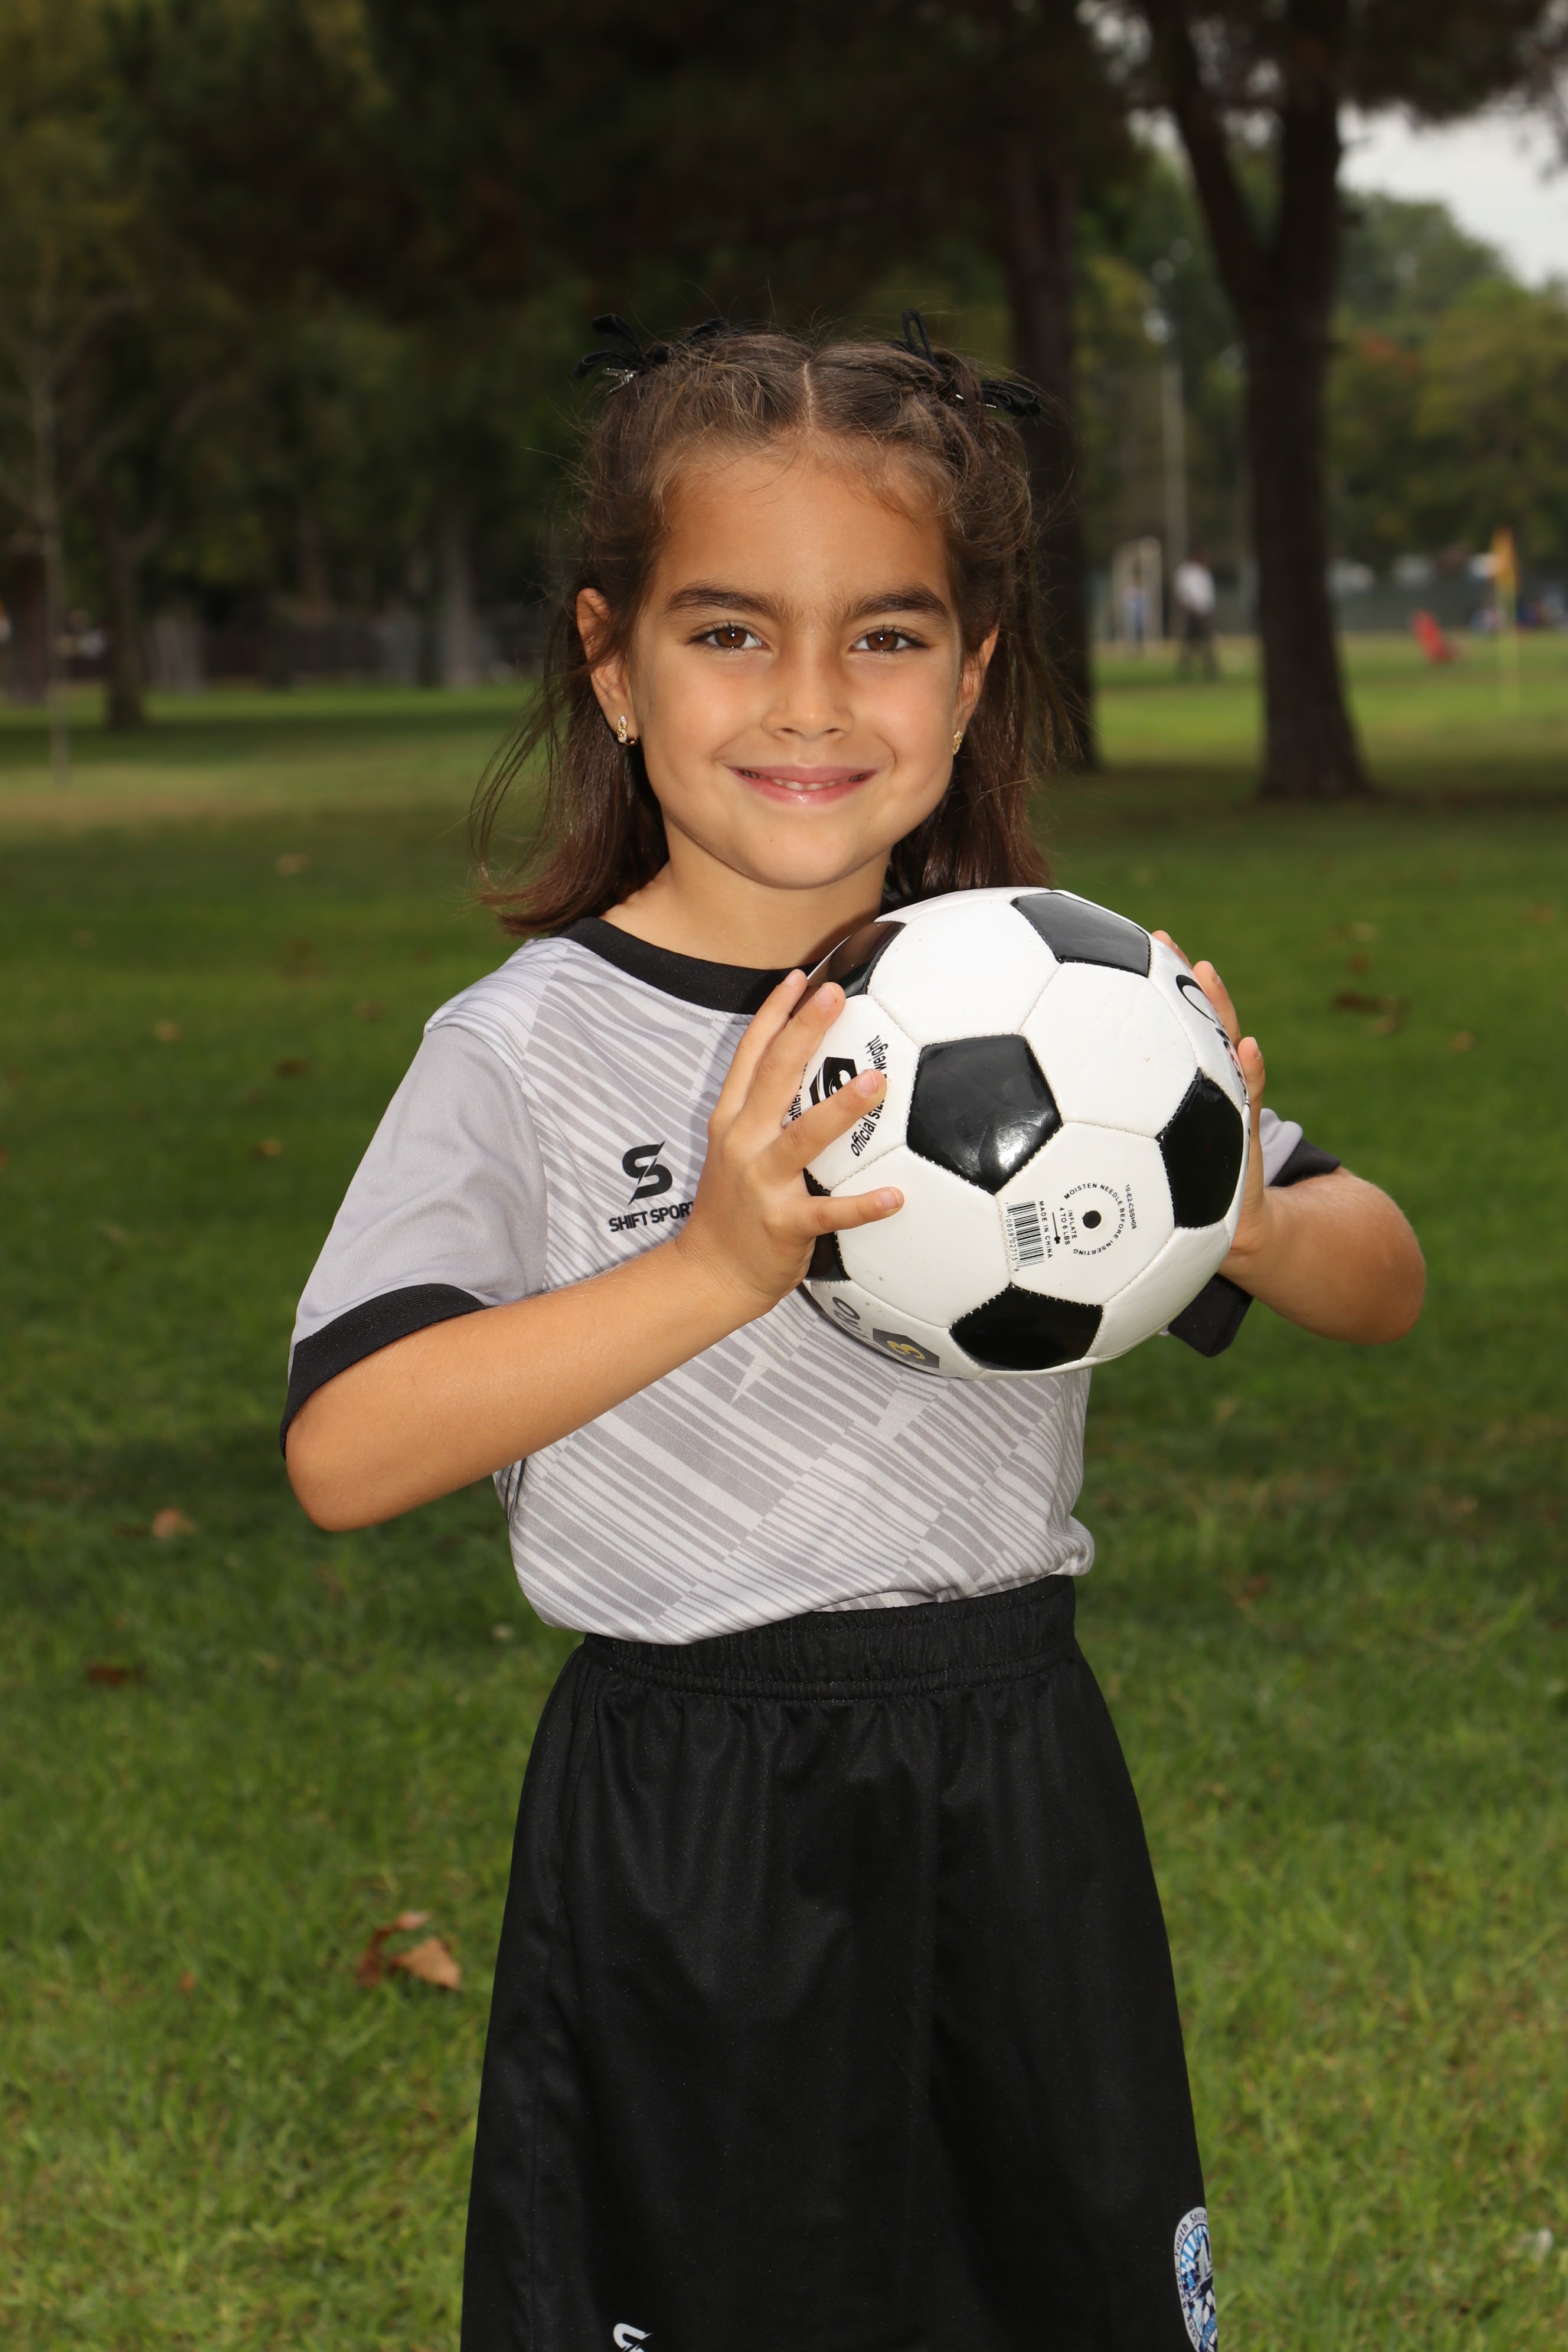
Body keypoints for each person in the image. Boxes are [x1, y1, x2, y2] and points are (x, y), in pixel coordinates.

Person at [282, 317, 1425, 2351]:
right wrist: (708, 1269)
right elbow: (346, 1448)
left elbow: (1382, 1271)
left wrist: (1234, 1204)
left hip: (1015, 1759)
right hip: (692, 1798)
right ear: (612, 662)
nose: (809, 697)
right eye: (730, 631)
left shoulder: (1064, 1004)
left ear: (969, 674)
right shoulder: (523, 1049)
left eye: (884, 635)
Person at [1174, 547, 1219, 678]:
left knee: (1200, 641)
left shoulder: (1204, 572)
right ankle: (1193, 667)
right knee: (1196, 641)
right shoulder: (1187, 571)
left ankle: (1207, 667)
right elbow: (1184, 592)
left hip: (1205, 612)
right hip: (1193, 612)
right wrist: (1191, 608)